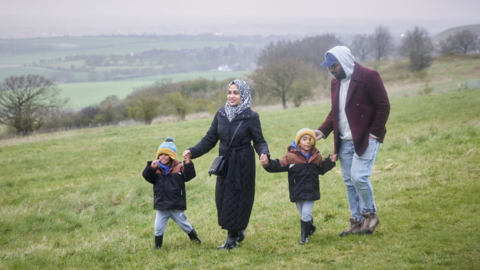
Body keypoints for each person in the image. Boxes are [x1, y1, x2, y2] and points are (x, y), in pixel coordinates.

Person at [183, 79, 270, 250]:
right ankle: (238, 231)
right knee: (222, 199)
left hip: (243, 163)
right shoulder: (220, 114)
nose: (232, 96)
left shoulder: (251, 116)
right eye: (229, 92)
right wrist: (192, 151)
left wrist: (264, 153)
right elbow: (209, 139)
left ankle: (232, 239)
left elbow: (259, 140)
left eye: (236, 93)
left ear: (243, 95)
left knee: (237, 199)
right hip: (225, 163)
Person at [314, 46, 390, 236]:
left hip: (365, 138)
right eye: (329, 67)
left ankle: (370, 215)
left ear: (345, 61)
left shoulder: (369, 76)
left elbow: (383, 105)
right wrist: (322, 131)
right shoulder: (335, 83)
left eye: (334, 66)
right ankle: (356, 221)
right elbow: (335, 112)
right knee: (349, 182)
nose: (331, 70)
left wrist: (374, 133)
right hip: (344, 141)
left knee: (359, 177)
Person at [259, 128, 337, 244]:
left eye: (310, 139)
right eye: (304, 139)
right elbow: (278, 165)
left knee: (306, 212)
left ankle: (304, 238)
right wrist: (267, 163)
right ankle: (310, 227)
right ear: (298, 142)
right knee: (302, 212)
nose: (308, 142)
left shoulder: (317, 156)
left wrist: (330, 162)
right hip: (297, 190)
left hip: (311, 190)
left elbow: (321, 169)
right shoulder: (290, 157)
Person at [142, 137, 201, 250]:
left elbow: (189, 176)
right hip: (162, 205)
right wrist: (150, 168)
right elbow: (148, 177)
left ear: (172, 156)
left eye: (166, 154)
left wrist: (187, 162)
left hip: (176, 204)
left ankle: (195, 239)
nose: (163, 157)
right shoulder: (156, 168)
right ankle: (157, 246)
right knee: (158, 227)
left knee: (184, 225)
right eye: (161, 155)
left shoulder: (179, 166)